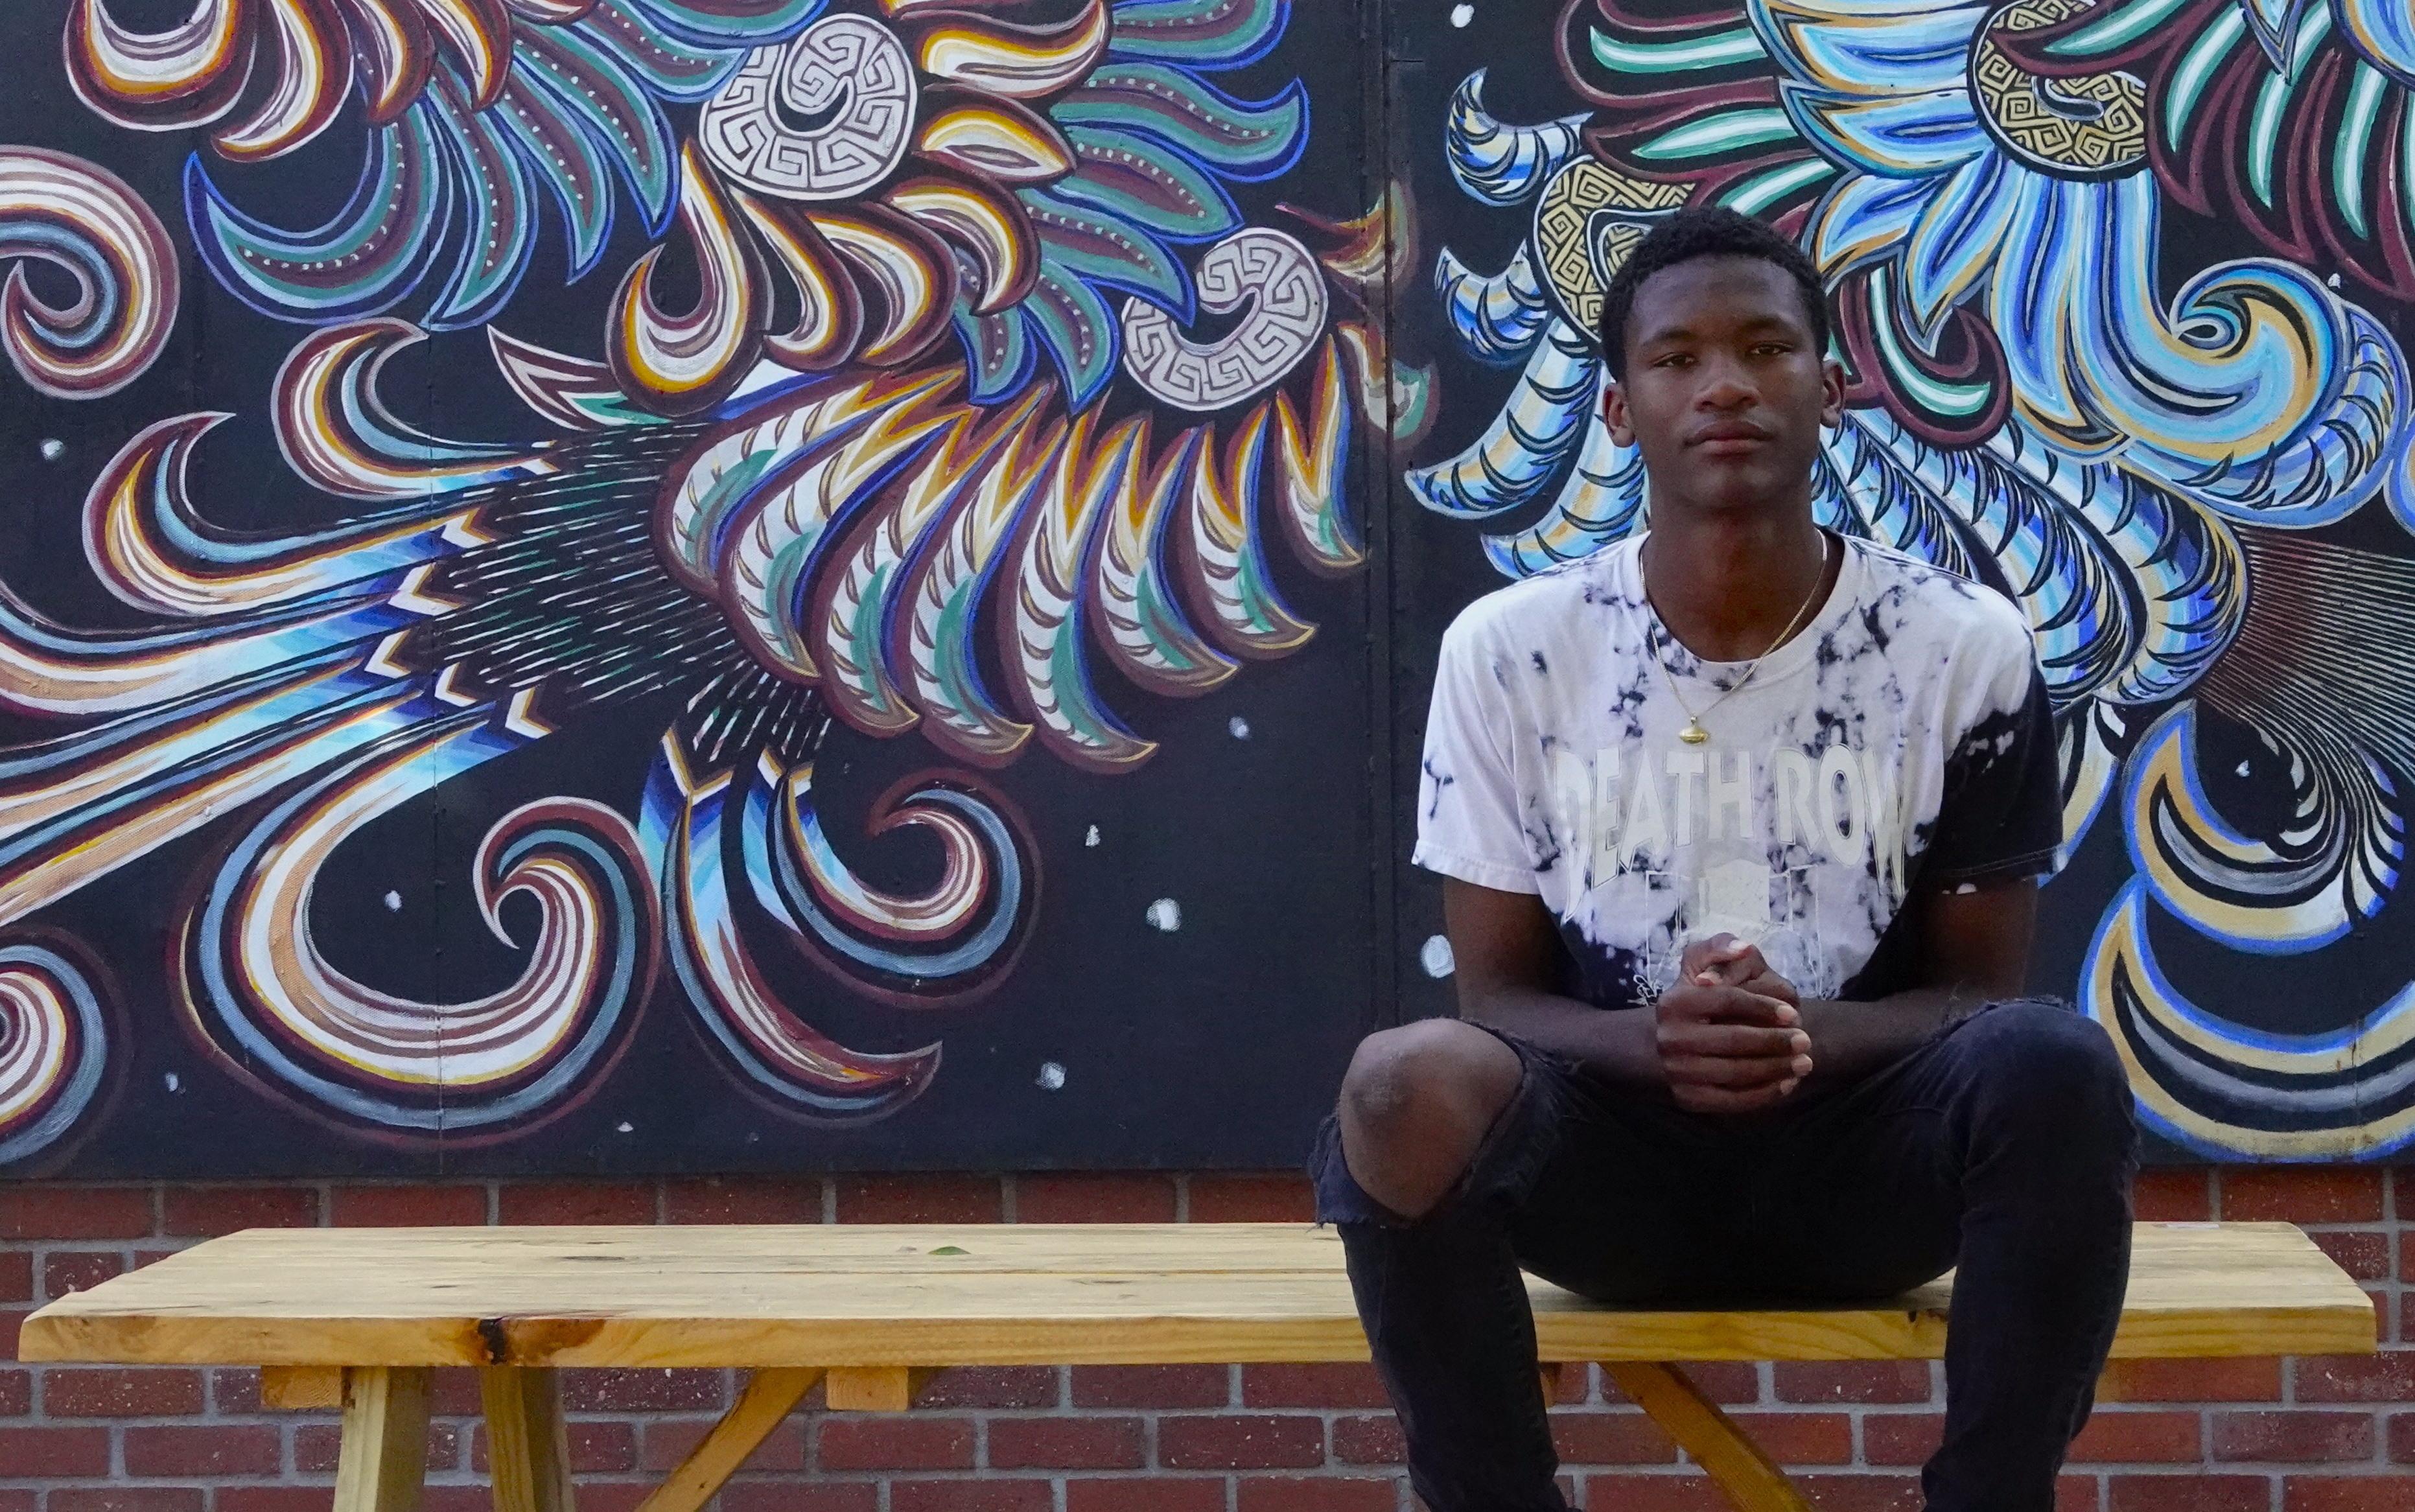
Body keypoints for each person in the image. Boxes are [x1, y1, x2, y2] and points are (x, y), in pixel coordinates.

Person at [1311, 207, 2140, 1512]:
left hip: (1871, 1170)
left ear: (1832, 383)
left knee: (2058, 1063)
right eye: (1677, 358)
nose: (1727, 387)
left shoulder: (1960, 645)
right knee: (1401, 1085)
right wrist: (1660, 1043)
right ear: (1620, 408)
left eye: (1766, 349)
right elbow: (1497, 1006)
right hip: (1610, 1179)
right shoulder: (1515, 650)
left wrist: (1795, 1037)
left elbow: (1982, 998)